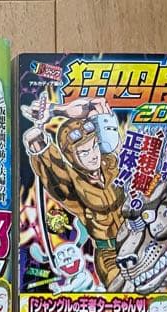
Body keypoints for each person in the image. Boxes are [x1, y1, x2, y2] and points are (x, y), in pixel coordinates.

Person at [22, 96, 125, 288]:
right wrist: (39, 135)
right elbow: (51, 166)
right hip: (110, 255)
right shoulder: (74, 184)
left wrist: (55, 110)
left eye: (94, 147)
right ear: (72, 157)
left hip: (139, 242)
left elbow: (97, 104)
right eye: (84, 153)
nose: (93, 155)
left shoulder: (110, 163)